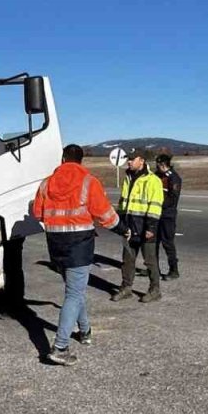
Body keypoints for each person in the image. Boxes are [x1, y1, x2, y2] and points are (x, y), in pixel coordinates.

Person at [31, 144, 127, 366]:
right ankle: (60, 347)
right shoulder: (88, 182)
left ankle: (85, 331)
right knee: (74, 294)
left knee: (75, 289)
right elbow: (105, 215)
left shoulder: (46, 183)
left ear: (63, 159)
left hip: (55, 245)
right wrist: (123, 230)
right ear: (81, 160)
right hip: (80, 245)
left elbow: (38, 212)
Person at [113, 151, 165, 303]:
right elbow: (123, 203)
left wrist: (151, 228)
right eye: (128, 159)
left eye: (131, 159)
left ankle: (155, 290)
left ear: (141, 160)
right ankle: (126, 288)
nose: (128, 162)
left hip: (145, 227)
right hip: (129, 227)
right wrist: (120, 224)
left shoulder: (153, 180)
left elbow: (155, 206)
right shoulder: (128, 178)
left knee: (150, 261)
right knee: (127, 260)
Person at [154, 154, 183, 280]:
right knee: (153, 243)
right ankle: (153, 269)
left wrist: (158, 203)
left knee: (167, 243)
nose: (157, 167)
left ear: (163, 164)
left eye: (158, 164)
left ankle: (173, 270)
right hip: (155, 214)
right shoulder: (157, 176)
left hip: (167, 215)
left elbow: (172, 198)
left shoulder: (174, 178)